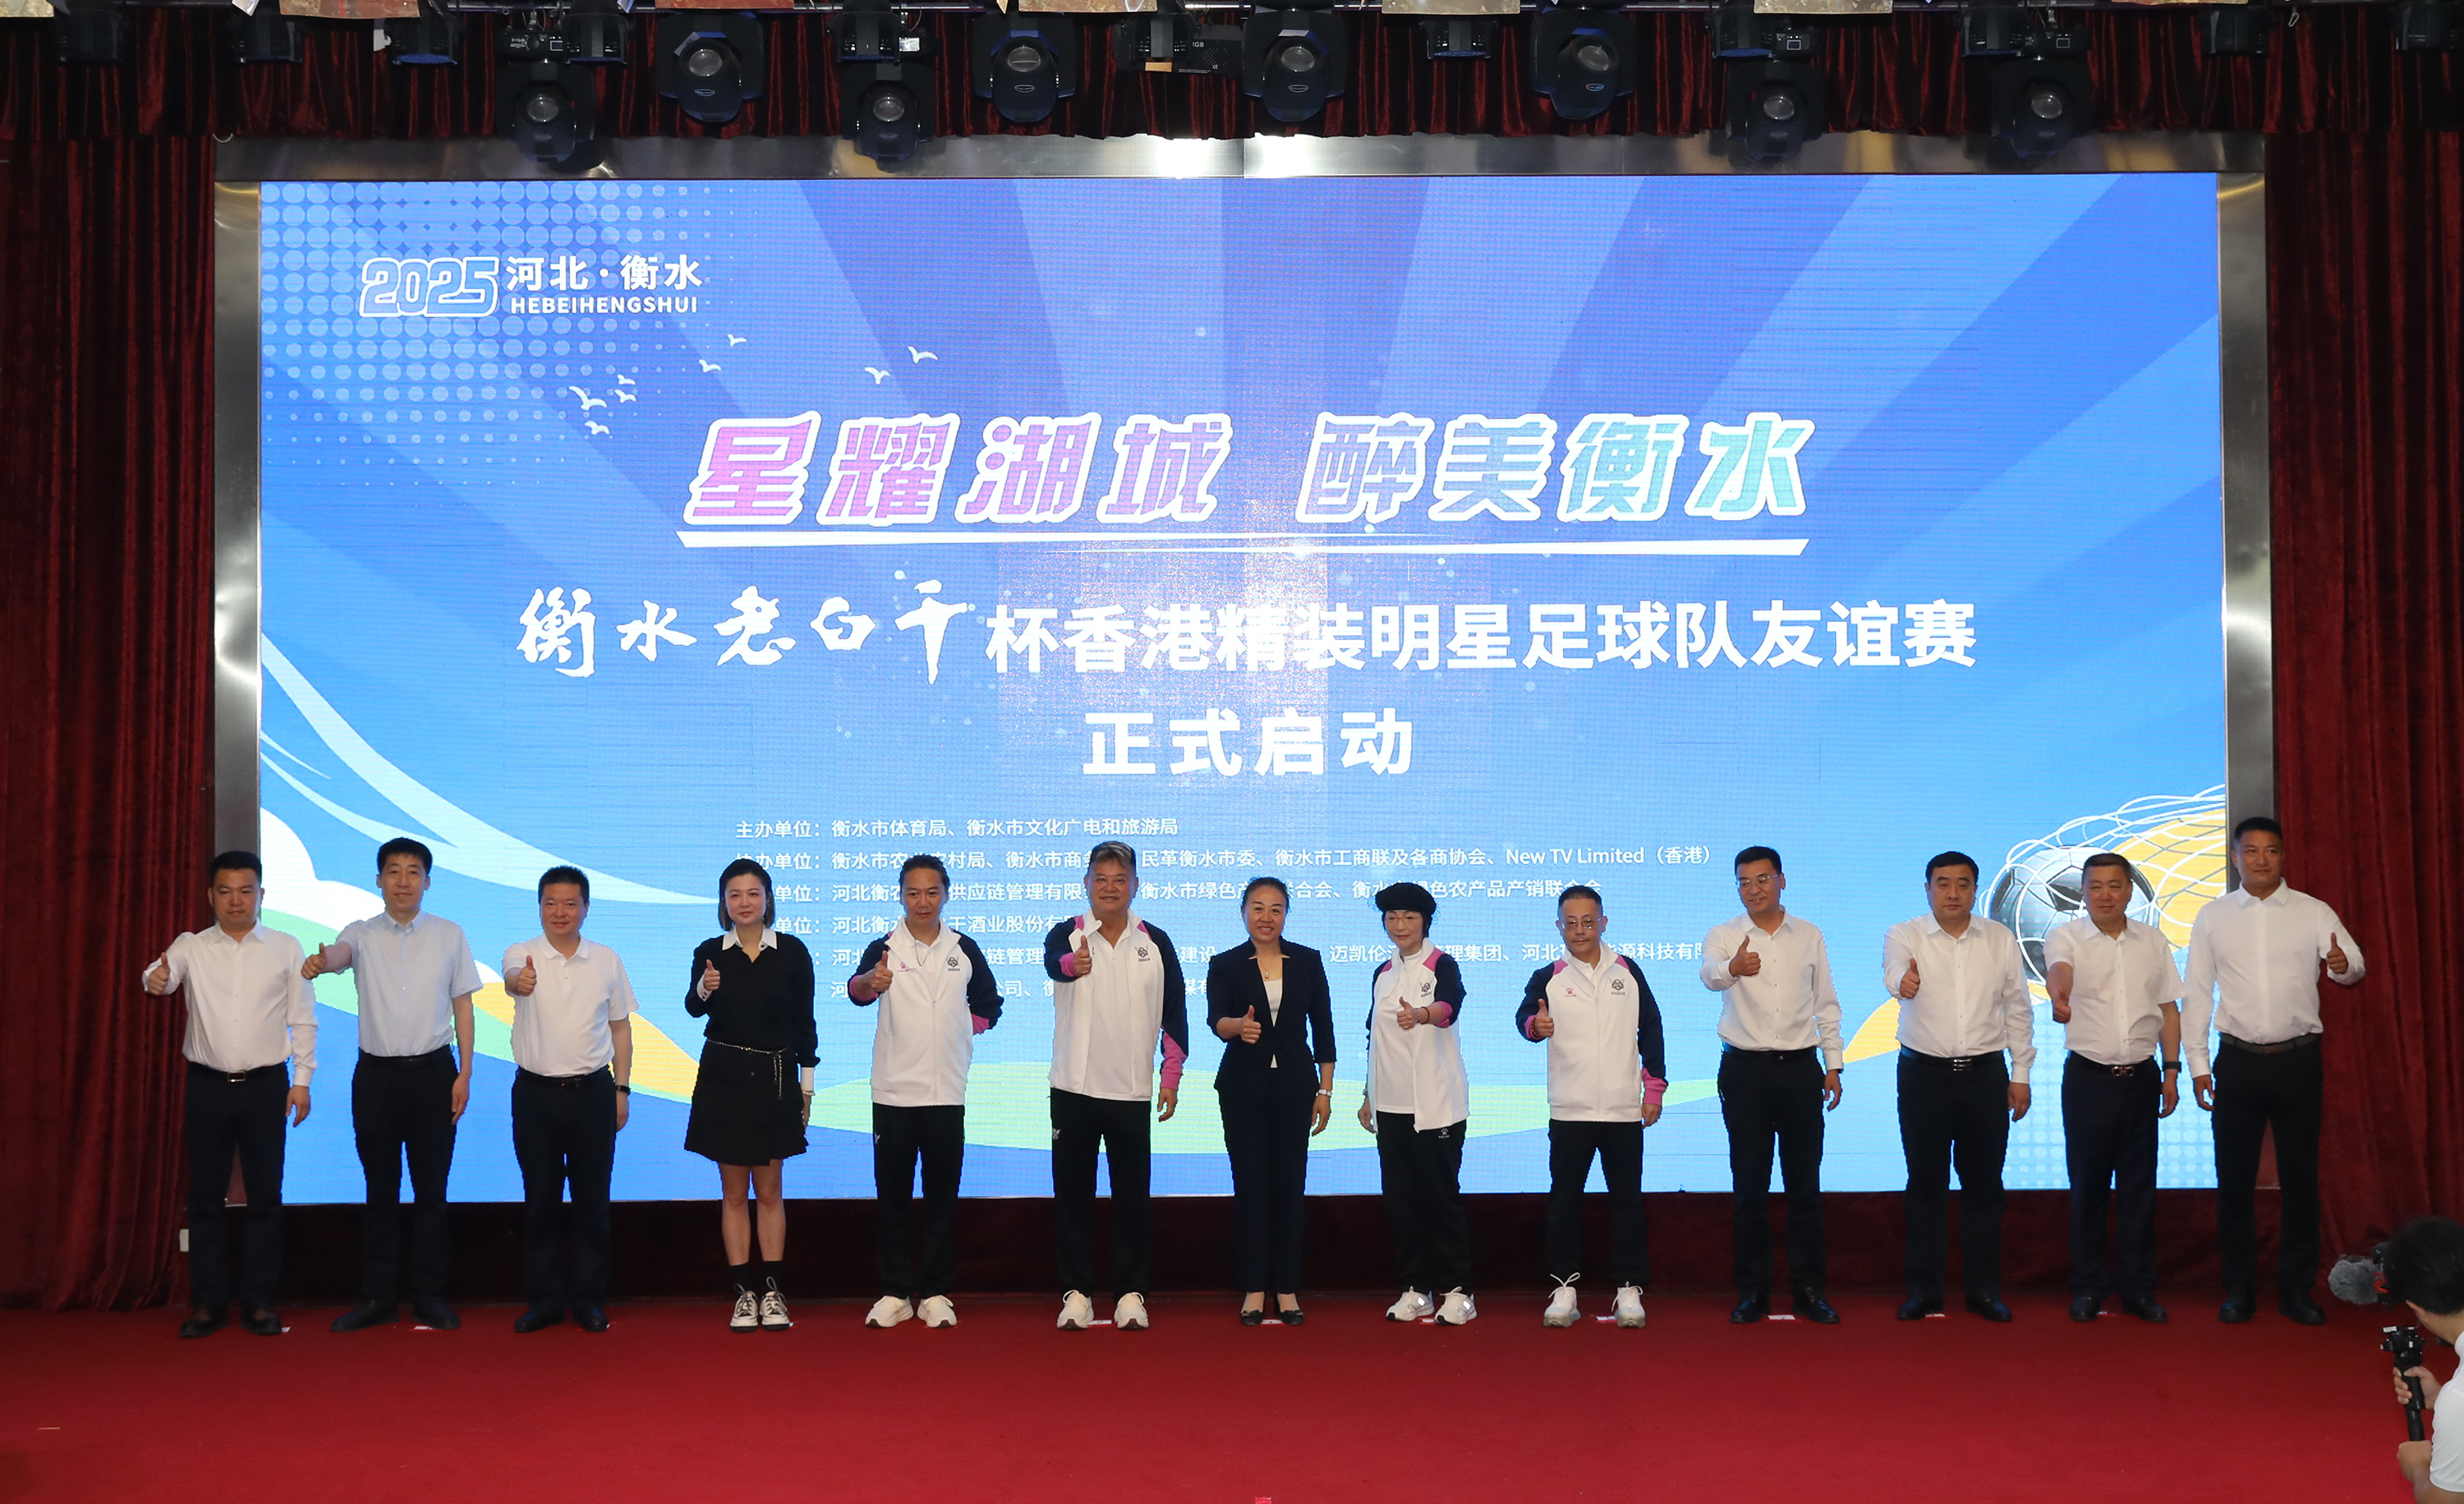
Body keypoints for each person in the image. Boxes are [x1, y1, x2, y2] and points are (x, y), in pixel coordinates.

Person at [2185, 814, 2366, 1326]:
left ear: (2283, 856)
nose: (2261, 860)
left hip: (2297, 1062)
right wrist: (2197, 1064)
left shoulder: (2313, 911)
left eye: (2271, 850)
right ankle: (2239, 1288)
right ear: (2235, 857)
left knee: (2300, 1180)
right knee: (2234, 1182)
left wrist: (2341, 967)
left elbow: (2354, 965)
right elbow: (2197, 995)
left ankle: (2295, 1288)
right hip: (2237, 1063)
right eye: (2251, 850)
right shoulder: (2213, 916)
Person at [306, 836, 480, 1334]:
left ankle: (430, 1298)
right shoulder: (360, 933)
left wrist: (465, 1072)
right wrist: (323, 960)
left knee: (432, 1192)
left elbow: (463, 1006)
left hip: (434, 1075)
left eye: (413, 871)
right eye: (394, 871)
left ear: (427, 881)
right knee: (379, 1191)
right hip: (376, 1078)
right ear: (379, 879)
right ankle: (377, 1298)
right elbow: (338, 955)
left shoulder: (449, 934)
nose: (403, 881)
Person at [142, 850, 315, 1339]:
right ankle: (209, 1303)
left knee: (265, 1197)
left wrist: (302, 1080)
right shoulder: (191, 946)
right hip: (207, 1087)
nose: (236, 900)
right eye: (225, 891)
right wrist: (154, 980)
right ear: (210, 896)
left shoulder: (286, 947)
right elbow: (160, 976)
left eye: (245, 891)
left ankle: (259, 1301)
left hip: (266, 1086)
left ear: (261, 895)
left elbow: (303, 1018)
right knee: (205, 1198)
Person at [847, 855, 1003, 1331]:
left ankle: (935, 1291)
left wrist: (958, 1034)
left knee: (941, 1198)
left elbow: (990, 1004)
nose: (922, 901)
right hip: (894, 1093)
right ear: (901, 896)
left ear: (946, 895)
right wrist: (870, 982)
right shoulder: (884, 948)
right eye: (913, 893)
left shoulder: (964, 948)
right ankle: (895, 1292)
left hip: (945, 1093)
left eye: (932, 892)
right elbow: (856, 991)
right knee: (892, 1198)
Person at [1042, 840, 1189, 1332]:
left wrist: (1171, 1075)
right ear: (1086, 883)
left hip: (1131, 1090)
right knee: (1073, 1197)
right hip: (1073, 1089)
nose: (1110, 888)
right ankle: (1076, 1293)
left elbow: (1174, 1011)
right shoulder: (1066, 933)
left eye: (1119, 879)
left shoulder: (1155, 942)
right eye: (1101, 879)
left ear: (1135, 885)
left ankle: (1130, 1293)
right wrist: (1073, 965)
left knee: (1132, 1198)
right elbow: (1053, 964)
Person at [1882, 850, 2034, 1322]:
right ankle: (1924, 1292)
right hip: (1923, 1077)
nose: (1953, 893)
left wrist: (2021, 1073)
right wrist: (1903, 982)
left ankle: (1983, 1292)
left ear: (1975, 889)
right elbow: (1893, 972)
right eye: (1943, 884)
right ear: (1927, 889)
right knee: (1925, 1184)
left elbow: (2018, 1008)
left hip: (1985, 1077)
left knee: (1984, 1186)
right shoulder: (1904, 934)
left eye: (1963, 884)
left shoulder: (1999, 938)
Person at [1700, 846, 1843, 1325]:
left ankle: (1809, 1290)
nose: (1754, 889)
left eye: (1763, 879)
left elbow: (1826, 1003)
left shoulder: (1809, 935)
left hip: (1801, 1069)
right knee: (1750, 1186)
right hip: (1746, 1072)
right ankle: (1753, 1291)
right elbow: (1708, 976)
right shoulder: (1725, 935)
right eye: (1744, 882)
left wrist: (1833, 1065)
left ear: (1782, 880)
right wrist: (1732, 969)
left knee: (1804, 1185)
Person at [1517, 885, 1666, 1330]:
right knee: (1564, 1201)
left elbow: (1651, 1028)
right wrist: (1537, 1025)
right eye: (1571, 923)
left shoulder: (1629, 971)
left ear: (1603, 923)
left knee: (1627, 1202)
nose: (1580, 930)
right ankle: (1564, 1288)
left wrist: (1653, 1089)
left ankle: (1628, 1289)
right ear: (1559, 926)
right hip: (1570, 1110)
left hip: (1622, 1109)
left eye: (1588, 921)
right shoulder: (1548, 976)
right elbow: (1525, 1018)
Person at [2044, 850, 2183, 1323]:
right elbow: (2059, 969)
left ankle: (2138, 1289)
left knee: (2139, 1190)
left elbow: (2168, 1009)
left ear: (2130, 891)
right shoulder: (2066, 936)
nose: (2105, 895)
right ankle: (2087, 1288)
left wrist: (2171, 1070)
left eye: (2114, 885)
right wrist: (2059, 993)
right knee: (2088, 1188)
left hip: (2142, 1079)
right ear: (2083, 892)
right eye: (2095, 886)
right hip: (2089, 1081)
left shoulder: (2153, 941)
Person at [500, 866, 635, 1334]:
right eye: (551, 903)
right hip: (535, 1095)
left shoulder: (606, 960)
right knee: (540, 1202)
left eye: (570, 903)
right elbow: (512, 979)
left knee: (592, 1203)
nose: (560, 912)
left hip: (593, 1093)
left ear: (586, 908)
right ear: (539, 907)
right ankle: (544, 1302)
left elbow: (620, 1028)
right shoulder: (522, 953)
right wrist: (520, 981)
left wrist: (622, 1089)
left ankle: (589, 1301)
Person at [685, 858, 817, 1332]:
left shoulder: (792, 952)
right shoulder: (710, 952)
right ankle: (744, 1294)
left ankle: (774, 1291)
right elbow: (692, 1008)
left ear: (768, 899)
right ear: (724, 903)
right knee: (733, 1191)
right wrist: (704, 988)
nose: (744, 902)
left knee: (771, 1189)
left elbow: (805, 1021)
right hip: (724, 1076)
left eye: (753, 893)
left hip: (776, 1076)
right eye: (735, 895)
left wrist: (807, 1084)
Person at [1207, 877, 1337, 1326]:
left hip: (1296, 1089)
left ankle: (1286, 1288)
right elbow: (1216, 1020)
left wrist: (1325, 1090)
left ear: (1286, 914)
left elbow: (1323, 1026)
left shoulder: (1308, 960)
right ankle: (1253, 1288)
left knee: (1289, 1187)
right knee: (1251, 1187)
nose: (1267, 917)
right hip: (1243, 1090)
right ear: (1243, 912)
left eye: (1276, 909)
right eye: (1258, 908)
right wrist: (1236, 1028)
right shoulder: (1225, 963)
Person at [1357, 881, 1474, 1327]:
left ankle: (1459, 1291)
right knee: (1401, 1200)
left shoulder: (1441, 964)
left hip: (1436, 1104)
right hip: (1391, 1105)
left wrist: (1423, 1014)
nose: (1400, 925)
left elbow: (1450, 1006)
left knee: (1440, 1199)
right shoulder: (1383, 973)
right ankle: (1416, 1289)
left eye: (1409, 917)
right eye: (1391, 918)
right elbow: (1374, 1036)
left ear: (1426, 921)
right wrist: (1368, 1095)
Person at [2383, 1216, 2464, 1504]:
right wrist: (2441, 1398)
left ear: (2418, 1307)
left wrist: (2417, 1466)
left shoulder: (2459, 1400)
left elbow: (2444, 1501)